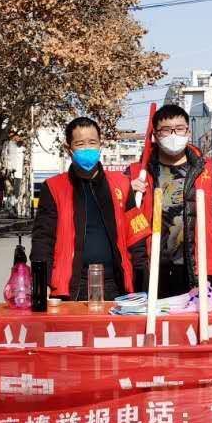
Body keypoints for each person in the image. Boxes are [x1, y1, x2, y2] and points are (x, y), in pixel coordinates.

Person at [30, 117, 145, 300]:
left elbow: (137, 239)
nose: (87, 148)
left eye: (92, 142)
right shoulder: (53, 187)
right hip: (72, 288)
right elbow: (43, 241)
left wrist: (142, 284)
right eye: (80, 144)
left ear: (101, 145)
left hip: (117, 285)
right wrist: (41, 283)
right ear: (69, 149)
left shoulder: (122, 184)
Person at [129, 104, 212, 296]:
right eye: (166, 130)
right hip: (152, 268)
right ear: (155, 135)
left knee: (197, 323)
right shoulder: (137, 173)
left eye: (179, 129)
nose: (173, 135)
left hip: (196, 264)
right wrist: (127, 193)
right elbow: (125, 221)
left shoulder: (206, 169)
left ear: (188, 131)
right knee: (156, 324)